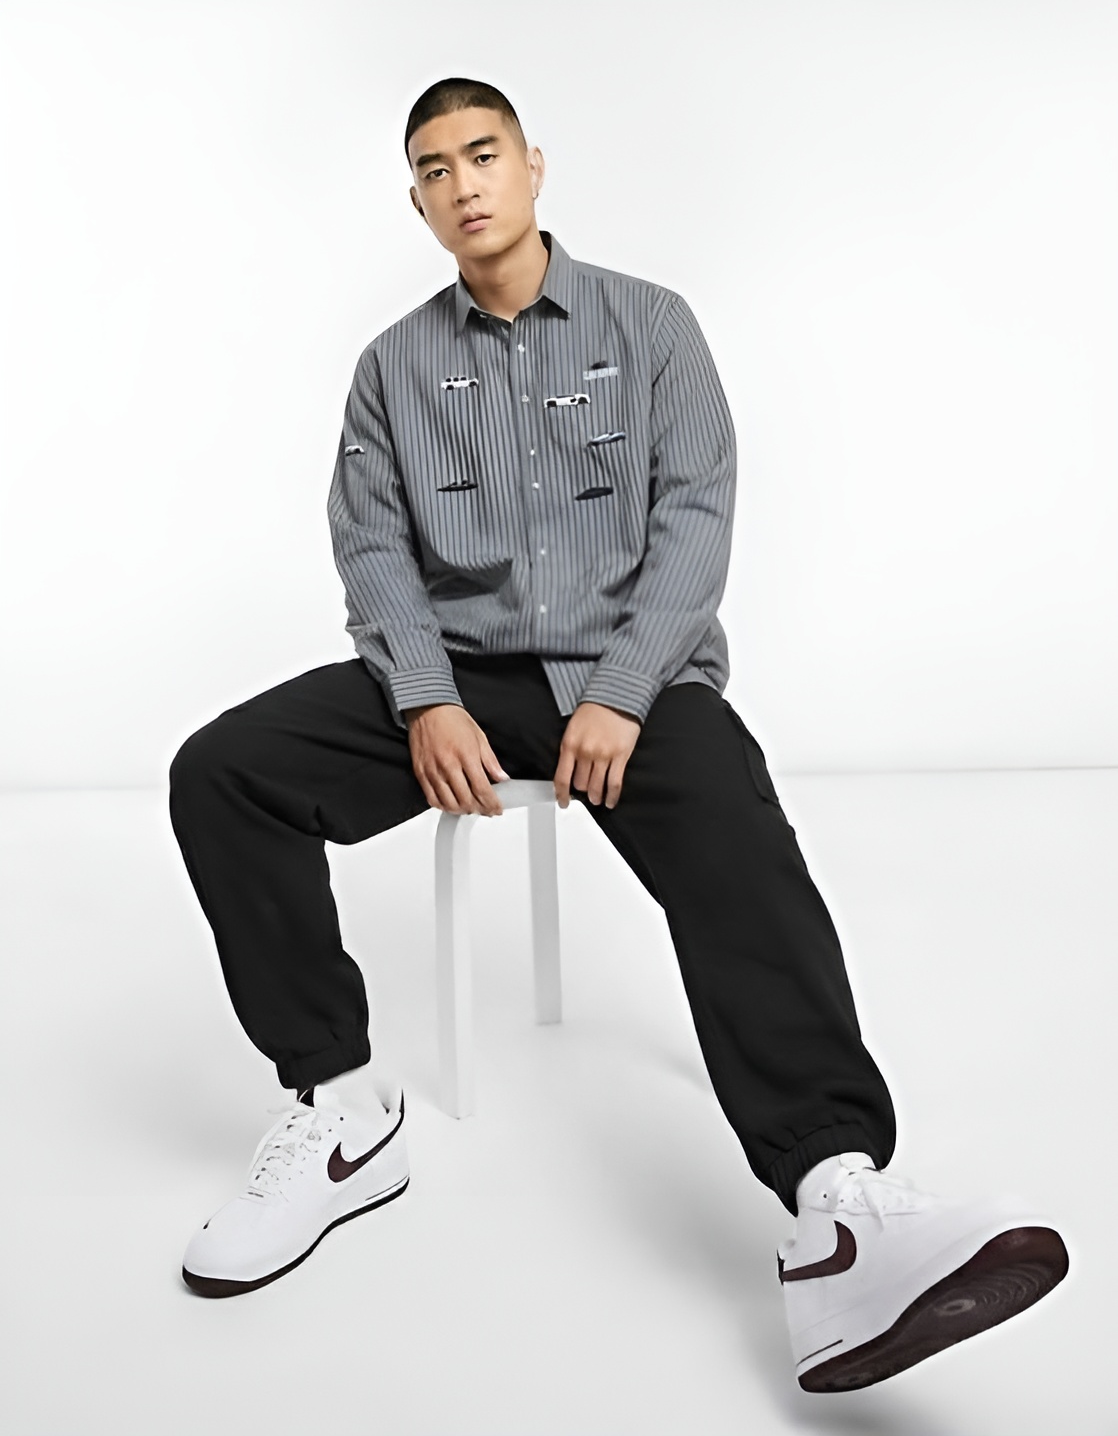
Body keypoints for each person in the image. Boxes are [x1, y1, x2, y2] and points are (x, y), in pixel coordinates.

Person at [168, 76, 1067, 1391]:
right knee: (222, 772)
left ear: (533, 166)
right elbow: (372, 551)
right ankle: (343, 1109)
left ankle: (839, 1206)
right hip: (461, 676)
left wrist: (625, 687)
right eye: (434, 169)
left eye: (483, 154)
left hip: (627, 675)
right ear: (417, 203)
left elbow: (696, 516)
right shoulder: (390, 369)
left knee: (737, 835)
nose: (464, 184)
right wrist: (423, 697)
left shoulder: (653, 327)